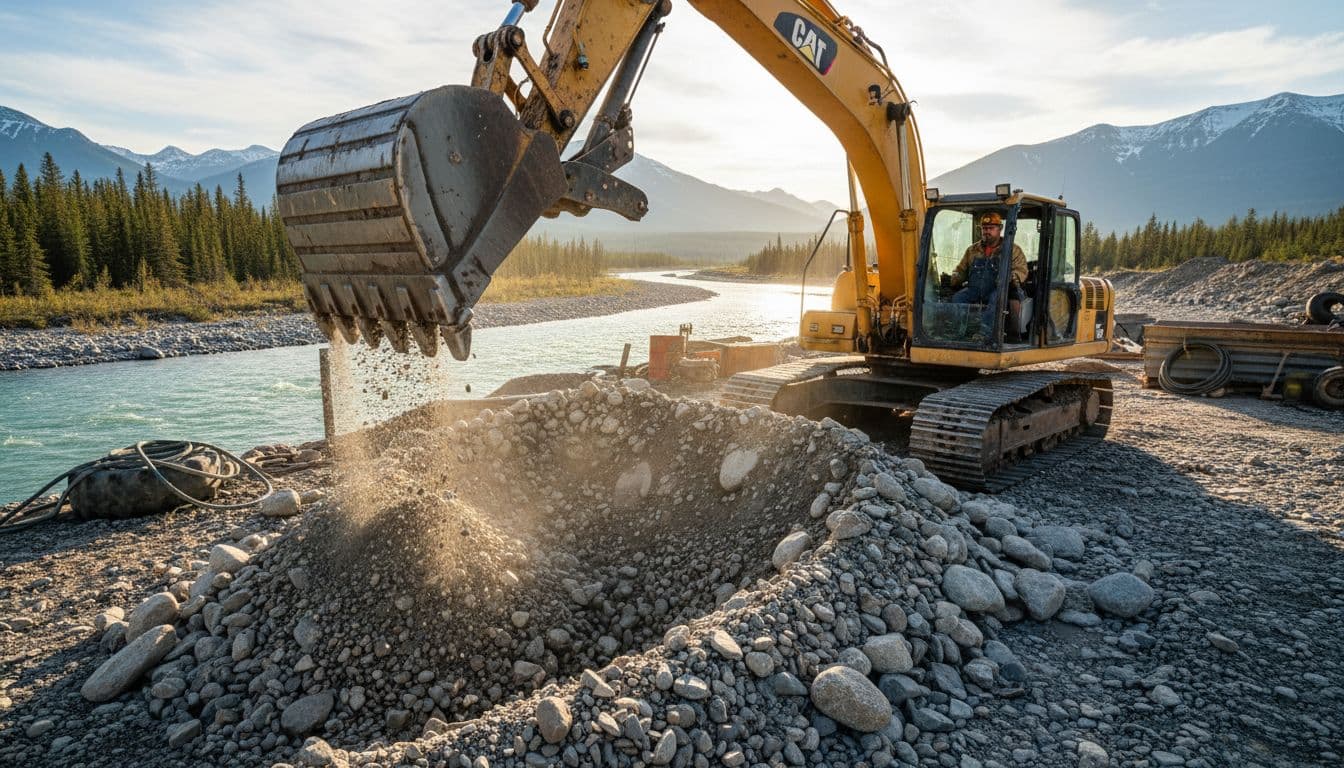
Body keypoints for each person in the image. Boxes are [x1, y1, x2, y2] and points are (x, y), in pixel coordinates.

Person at [947, 211, 1027, 338]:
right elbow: (961, 269)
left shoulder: (1012, 250)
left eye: (991, 228)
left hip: (997, 289)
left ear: (1000, 229)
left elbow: (1021, 270)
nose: (987, 231)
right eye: (984, 228)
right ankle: (958, 331)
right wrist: (955, 277)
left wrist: (1012, 276)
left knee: (996, 298)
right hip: (975, 289)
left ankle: (986, 333)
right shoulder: (972, 250)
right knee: (958, 298)